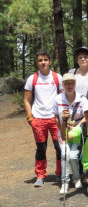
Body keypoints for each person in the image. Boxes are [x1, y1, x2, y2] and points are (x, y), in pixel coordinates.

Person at [24, 50, 63, 187]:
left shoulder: (57, 77)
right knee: (41, 148)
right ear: (37, 62)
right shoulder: (32, 79)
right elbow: (27, 100)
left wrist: (62, 117)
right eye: (40, 60)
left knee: (59, 147)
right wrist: (30, 118)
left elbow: (63, 98)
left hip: (55, 119)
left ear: (50, 61)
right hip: (38, 118)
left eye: (45, 60)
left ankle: (60, 173)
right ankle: (40, 175)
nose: (43, 62)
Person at [53, 73, 88, 193]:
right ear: (63, 85)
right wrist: (62, 129)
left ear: (75, 84)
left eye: (72, 83)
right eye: (67, 83)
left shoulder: (82, 98)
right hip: (63, 131)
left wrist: (77, 127)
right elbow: (56, 117)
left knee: (73, 156)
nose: (69, 85)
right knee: (64, 155)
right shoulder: (58, 99)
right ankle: (65, 182)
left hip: (77, 132)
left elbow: (87, 116)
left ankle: (76, 178)